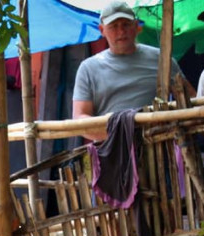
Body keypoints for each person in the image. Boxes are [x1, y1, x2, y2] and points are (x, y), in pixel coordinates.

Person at [73, 0, 187, 140]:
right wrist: (118, 135)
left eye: (126, 24)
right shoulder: (88, 69)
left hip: (160, 146)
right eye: (114, 26)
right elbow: (79, 117)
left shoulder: (162, 60)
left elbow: (188, 99)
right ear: (102, 30)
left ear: (137, 26)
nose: (121, 31)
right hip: (111, 151)